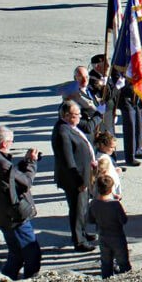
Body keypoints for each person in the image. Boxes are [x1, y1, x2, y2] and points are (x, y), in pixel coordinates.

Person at [0, 126, 42, 280]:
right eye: (11, 141)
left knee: (16, 254)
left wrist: (23, 163)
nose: (12, 144)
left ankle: (7, 279)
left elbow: (11, 177)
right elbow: (26, 182)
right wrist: (32, 163)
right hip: (15, 216)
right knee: (32, 253)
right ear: (4, 144)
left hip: (2, 215)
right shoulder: (2, 164)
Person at [51, 100, 97, 251]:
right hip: (74, 178)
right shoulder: (62, 132)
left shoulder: (70, 127)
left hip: (83, 175)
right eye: (76, 115)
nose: (79, 117)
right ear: (66, 115)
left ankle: (83, 232)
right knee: (77, 209)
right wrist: (79, 181)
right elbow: (68, 160)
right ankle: (79, 241)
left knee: (83, 207)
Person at [88, 175, 131, 278]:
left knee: (106, 264)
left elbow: (90, 220)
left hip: (103, 237)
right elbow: (124, 220)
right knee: (123, 263)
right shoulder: (115, 205)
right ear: (111, 189)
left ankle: (106, 280)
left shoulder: (93, 204)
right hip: (117, 237)